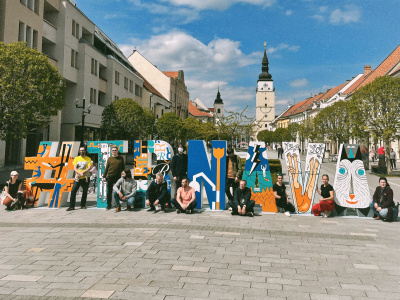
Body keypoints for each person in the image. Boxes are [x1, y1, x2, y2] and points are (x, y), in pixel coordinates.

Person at [67, 146, 92, 211]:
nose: (82, 151)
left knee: (85, 191)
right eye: (81, 150)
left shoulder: (88, 158)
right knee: (73, 191)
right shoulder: (76, 158)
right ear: (79, 151)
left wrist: (82, 173)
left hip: (85, 177)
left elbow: (89, 167)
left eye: (83, 150)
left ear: (85, 151)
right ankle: (71, 206)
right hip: (77, 177)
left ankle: (83, 205)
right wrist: (79, 173)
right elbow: (75, 168)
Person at [103, 145, 125, 210]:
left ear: (117, 151)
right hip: (110, 176)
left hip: (118, 177)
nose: (114, 151)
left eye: (115, 150)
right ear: (111, 151)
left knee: (116, 191)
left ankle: (117, 204)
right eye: (113, 150)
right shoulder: (110, 158)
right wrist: (104, 176)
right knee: (109, 192)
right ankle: (108, 205)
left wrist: (124, 174)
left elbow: (123, 167)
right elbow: (106, 168)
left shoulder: (121, 158)